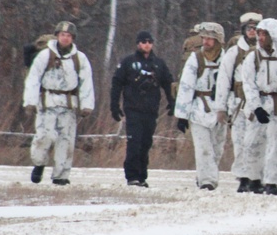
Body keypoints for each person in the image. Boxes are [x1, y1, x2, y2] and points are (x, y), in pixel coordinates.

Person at [22, 21, 95, 185]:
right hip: (47, 103)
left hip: (68, 104)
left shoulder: (79, 58)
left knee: (66, 141)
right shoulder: (45, 55)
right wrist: (30, 102)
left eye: (69, 36)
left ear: (73, 38)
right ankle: (39, 164)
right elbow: (33, 78)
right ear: (57, 36)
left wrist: (87, 105)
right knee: (45, 137)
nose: (65, 38)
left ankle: (61, 175)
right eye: (62, 35)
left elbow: (86, 82)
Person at [109, 30, 175, 187]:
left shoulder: (158, 63)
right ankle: (132, 176)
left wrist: (173, 102)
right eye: (143, 42)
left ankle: (142, 176)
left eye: (149, 42)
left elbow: (168, 83)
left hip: (151, 110)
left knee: (146, 143)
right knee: (134, 142)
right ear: (138, 44)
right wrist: (114, 105)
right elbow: (117, 82)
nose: (147, 45)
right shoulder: (128, 62)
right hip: (133, 109)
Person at [241, 18, 277, 195]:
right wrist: (256, 107)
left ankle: (272, 181)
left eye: (265, 34)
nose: (261, 38)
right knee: (252, 143)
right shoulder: (252, 57)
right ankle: (254, 178)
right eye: (259, 34)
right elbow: (248, 84)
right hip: (258, 105)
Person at [174, 22, 227, 190]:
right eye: (204, 38)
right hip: (199, 109)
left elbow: (233, 85)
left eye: (210, 39)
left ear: (218, 40)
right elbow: (186, 86)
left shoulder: (227, 59)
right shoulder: (195, 58)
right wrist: (182, 116)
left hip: (220, 110)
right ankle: (207, 182)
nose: (206, 42)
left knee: (217, 148)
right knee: (204, 149)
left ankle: (206, 175)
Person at [213, 12, 262, 192]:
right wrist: (221, 107)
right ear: (244, 30)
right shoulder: (234, 52)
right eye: (249, 28)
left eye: (255, 29)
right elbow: (224, 80)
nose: (252, 32)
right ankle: (243, 177)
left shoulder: (264, 51)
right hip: (238, 105)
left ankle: (257, 177)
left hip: (259, 105)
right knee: (240, 142)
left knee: (258, 141)